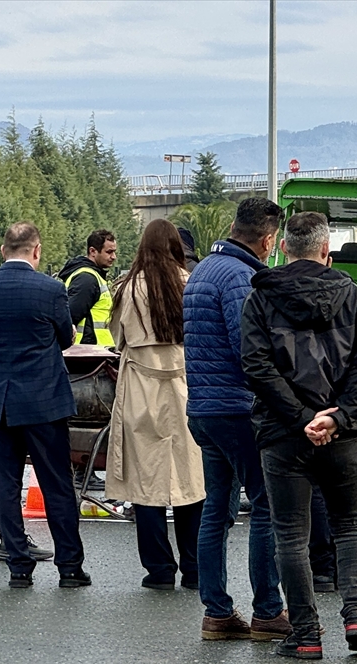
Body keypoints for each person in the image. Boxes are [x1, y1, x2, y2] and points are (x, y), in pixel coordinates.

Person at [241, 211, 357, 659]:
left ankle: (305, 634)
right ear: (326, 251)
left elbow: (256, 366)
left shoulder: (261, 298)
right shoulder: (355, 297)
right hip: (345, 435)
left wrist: (301, 415)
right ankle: (356, 614)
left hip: (284, 434)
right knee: (349, 525)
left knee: (290, 533)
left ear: (284, 247)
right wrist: (337, 417)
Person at [184, 197, 290, 642]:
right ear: (268, 240)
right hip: (237, 407)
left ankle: (217, 611)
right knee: (266, 503)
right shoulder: (241, 278)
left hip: (203, 407)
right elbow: (248, 347)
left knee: (216, 508)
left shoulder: (204, 270)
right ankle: (267, 609)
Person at [0, 222, 90, 589]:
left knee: (6, 486)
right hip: (43, 404)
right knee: (56, 485)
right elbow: (65, 335)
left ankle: (19, 565)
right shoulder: (51, 289)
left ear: (4, 250)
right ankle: (69, 567)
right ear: (36, 250)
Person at [106, 220, 206, 590]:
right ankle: (194, 567)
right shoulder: (190, 283)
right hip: (185, 386)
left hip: (141, 389)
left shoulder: (128, 287)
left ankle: (159, 569)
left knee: (145, 482)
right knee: (190, 479)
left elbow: (118, 337)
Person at [59, 229, 118, 345]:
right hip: (89, 353)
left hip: (92, 352)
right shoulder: (87, 279)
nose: (114, 257)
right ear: (93, 251)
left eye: (114, 252)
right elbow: (69, 317)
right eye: (109, 252)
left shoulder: (92, 276)